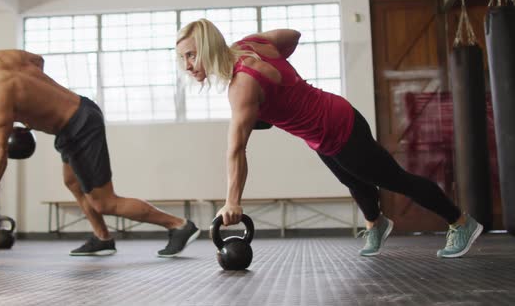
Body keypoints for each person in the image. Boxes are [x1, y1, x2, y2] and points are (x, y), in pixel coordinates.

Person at [176, 19, 482, 258]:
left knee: (396, 180)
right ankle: (376, 223)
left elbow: (236, 149)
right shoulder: (251, 45)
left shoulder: (242, 86)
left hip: (339, 128)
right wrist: (287, 86)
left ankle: (460, 222)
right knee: (352, 179)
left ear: (208, 46)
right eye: (182, 58)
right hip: (323, 129)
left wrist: (232, 201)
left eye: (191, 55)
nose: (187, 66)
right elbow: (292, 35)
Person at [0, 50, 200, 257]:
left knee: (104, 202)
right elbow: (36, 60)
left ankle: (178, 225)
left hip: (79, 125)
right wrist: (33, 101)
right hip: (78, 114)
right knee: (72, 182)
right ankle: (103, 238)